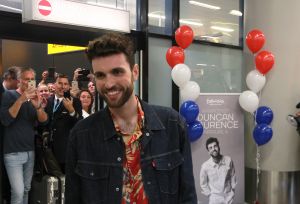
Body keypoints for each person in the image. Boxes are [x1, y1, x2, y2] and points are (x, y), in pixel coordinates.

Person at [65, 33, 197, 204]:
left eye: (117, 72)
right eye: (100, 75)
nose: (109, 83)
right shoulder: (81, 135)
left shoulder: (172, 125)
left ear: (135, 72)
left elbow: (187, 196)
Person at [0, 67, 48, 204]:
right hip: (12, 152)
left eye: (33, 79)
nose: (30, 82)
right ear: (20, 81)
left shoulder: (34, 98)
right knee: (18, 191)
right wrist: (21, 99)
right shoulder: (9, 95)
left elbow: (43, 121)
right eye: (27, 79)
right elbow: (6, 119)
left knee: (26, 189)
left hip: (30, 151)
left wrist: (38, 107)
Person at [44, 73, 82, 173]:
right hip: (49, 149)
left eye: (65, 84)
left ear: (69, 86)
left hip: (65, 150)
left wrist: (72, 111)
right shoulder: (48, 101)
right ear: (54, 85)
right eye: (60, 83)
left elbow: (80, 124)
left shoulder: (75, 101)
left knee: (66, 181)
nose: (62, 86)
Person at [199, 137, 237, 204]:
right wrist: (210, 195)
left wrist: (233, 191)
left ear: (219, 147)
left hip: (228, 197)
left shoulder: (228, 160)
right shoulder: (205, 166)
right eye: (210, 148)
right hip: (214, 199)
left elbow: (233, 176)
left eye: (215, 146)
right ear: (208, 152)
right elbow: (203, 184)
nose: (213, 149)